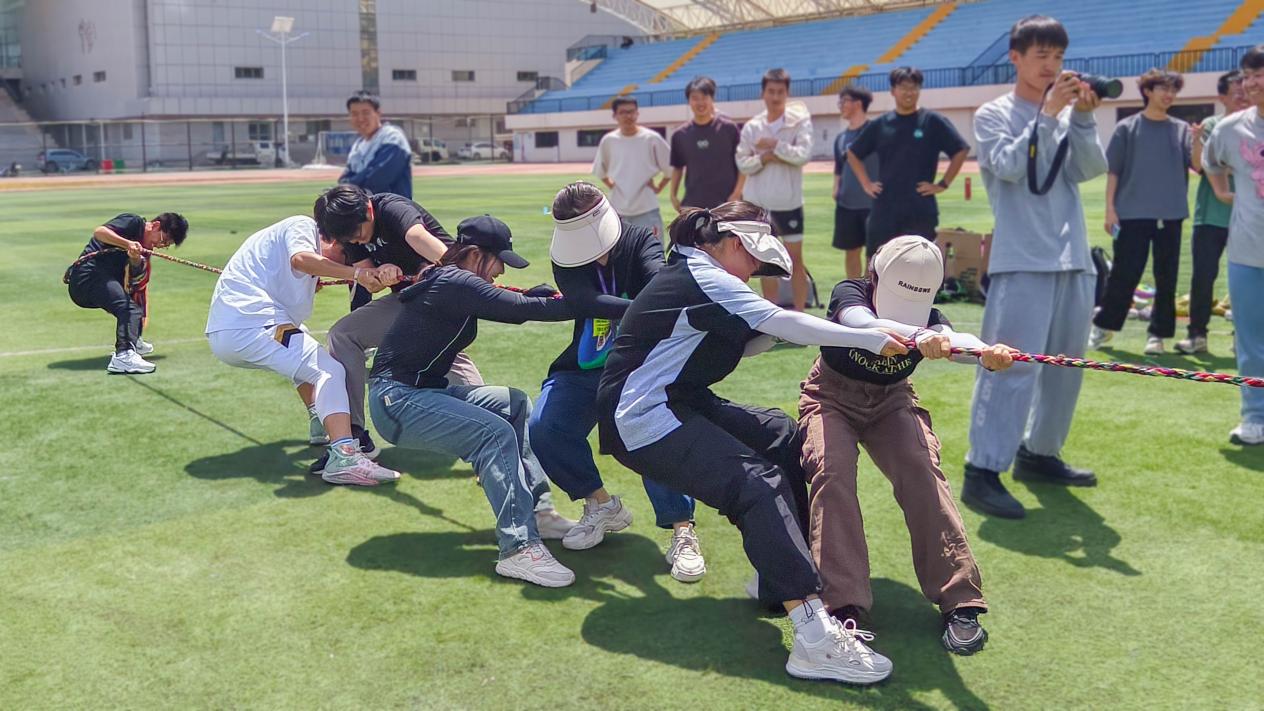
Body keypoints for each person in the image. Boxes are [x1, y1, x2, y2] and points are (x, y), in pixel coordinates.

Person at [596, 201, 907, 684]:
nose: (756, 271)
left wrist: (857, 331)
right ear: (731, 243)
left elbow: (758, 338)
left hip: (681, 400)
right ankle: (814, 639)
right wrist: (868, 338)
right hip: (640, 416)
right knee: (756, 485)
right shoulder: (704, 276)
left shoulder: (703, 275)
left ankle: (777, 579)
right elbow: (783, 322)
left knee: (780, 435)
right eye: (754, 258)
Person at [798, 235, 1016, 656]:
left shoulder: (932, 321)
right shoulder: (849, 294)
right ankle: (842, 603)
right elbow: (863, 324)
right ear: (875, 276)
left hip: (892, 400)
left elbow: (956, 340)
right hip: (830, 396)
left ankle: (960, 600)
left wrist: (986, 353)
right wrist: (921, 335)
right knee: (832, 470)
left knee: (922, 470)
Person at [367, 215, 581, 586]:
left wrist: (536, 296)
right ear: (476, 254)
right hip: (396, 402)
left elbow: (515, 303)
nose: (501, 270)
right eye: (499, 261)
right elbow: (521, 311)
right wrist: (593, 304)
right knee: (493, 434)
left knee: (513, 404)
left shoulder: (454, 281)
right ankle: (518, 549)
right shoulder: (455, 281)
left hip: (420, 393)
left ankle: (540, 513)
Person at [963, 15, 1106, 519]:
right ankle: (982, 470)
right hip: (1023, 257)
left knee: (1066, 370)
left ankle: (1040, 453)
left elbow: (1089, 168)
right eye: (1041, 55)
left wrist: (1081, 118)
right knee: (1010, 367)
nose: (1051, 66)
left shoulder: (1064, 114)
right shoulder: (992, 114)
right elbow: (1009, 166)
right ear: (1016, 58)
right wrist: (1047, 115)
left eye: (1058, 57)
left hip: (1073, 256)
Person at [528, 182, 704, 582]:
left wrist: (644, 307)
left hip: (642, 367)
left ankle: (682, 529)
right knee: (545, 426)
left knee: (649, 430)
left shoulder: (640, 239)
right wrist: (641, 308)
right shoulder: (565, 256)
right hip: (585, 365)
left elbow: (659, 286)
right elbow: (585, 301)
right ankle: (601, 504)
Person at [205, 189, 400, 487]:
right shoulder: (302, 226)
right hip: (252, 324)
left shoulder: (301, 256)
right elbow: (301, 260)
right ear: (332, 240)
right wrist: (355, 274)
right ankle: (345, 457)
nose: (348, 261)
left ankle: (320, 421)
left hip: (237, 329)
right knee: (329, 369)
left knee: (306, 353)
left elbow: (299, 269)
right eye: (346, 252)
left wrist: (336, 275)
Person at [308, 187, 485, 470]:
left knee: (450, 359)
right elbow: (370, 280)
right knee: (344, 335)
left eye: (358, 232)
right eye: (348, 238)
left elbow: (431, 248)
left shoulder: (392, 209)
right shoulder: (350, 231)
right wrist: (379, 274)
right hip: (408, 301)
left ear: (368, 209)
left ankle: (494, 434)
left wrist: (435, 273)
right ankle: (353, 437)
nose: (356, 240)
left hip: (444, 297)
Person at [1091, 69, 1193, 355]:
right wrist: (1110, 209)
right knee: (1124, 273)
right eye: (1163, 88)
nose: (1169, 94)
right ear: (1148, 91)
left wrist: (1198, 142)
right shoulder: (1127, 128)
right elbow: (1114, 171)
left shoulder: (1182, 129)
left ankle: (1158, 335)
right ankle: (1104, 325)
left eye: (1173, 89)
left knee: (1167, 276)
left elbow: (1197, 164)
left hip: (1170, 213)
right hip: (1131, 213)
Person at [1202, 45, 1264, 446]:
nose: (1252, 83)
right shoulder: (1230, 128)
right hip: (1247, 252)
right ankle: (1255, 416)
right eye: (1248, 76)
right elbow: (1211, 162)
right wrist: (1223, 192)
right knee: (1251, 340)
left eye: (1260, 74)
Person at [847, 66, 970, 258]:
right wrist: (866, 184)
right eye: (903, 87)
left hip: (919, 207)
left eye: (914, 87)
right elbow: (853, 153)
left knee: (921, 265)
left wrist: (943, 184)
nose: (909, 92)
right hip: (885, 208)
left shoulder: (932, 121)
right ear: (893, 91)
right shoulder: (882, 124)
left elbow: (961, 149)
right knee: (876, 263)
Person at [1178, 70, 1249, 355]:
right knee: (1203, 277)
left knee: (1247, 280)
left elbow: (1221, 165)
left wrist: (1224, 165)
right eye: (1237, 93)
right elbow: (1202, 166)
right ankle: (1197, 335)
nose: (1244, 97)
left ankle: (1243, 338)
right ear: (1222, 97)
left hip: (1249, 217)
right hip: (1210, 216)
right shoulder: (1212, 125)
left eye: (1246, 91)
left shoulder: (1256, 125)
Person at [66, 211, 188, 374]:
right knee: (129, 309)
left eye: (166, 245)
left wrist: (135, 259)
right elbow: (100, 232)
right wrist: (127, 244)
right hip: (87, 277)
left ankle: (132, 340)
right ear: (156, 225)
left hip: (101, 281)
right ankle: (123, 356)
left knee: (134, 303)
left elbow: (135, 279)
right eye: (163, 240)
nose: (161, 246)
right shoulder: (133, 222)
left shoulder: (144, 249)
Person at [736, 68, 814, 311]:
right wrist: (765, 158)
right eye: (771, 91)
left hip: (788, 203)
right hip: (757, 205)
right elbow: (742, 162)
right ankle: (772, 318)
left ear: (787, 93)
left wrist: (774, 145)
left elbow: (803, 155)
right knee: (765, 264)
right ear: (763, 93)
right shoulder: (753, 126)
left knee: (795, 261)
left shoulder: (799, 123)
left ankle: (800, 317)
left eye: (780, 91)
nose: (776, 96)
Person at [340, 91, 414, 311]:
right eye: (355, 114)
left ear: (378, 113)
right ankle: (358, 325)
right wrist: (353, 184)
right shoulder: (359, 145)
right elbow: (344, 182)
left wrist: (353, 184)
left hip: (392, 221)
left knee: (404, 279)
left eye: (365, 112)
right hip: (362, 220)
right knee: (360, 276)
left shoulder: (392, 137)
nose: (360, 118)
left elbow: (379, 178)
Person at [592, 97, 672, 237]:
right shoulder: (609, 141)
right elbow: (600, 170)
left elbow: (671, 167)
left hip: (647, 207)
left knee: (651, 249)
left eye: (631, 112)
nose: (628, 116)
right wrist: (612, 185)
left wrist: (659, 187)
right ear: (615, 115)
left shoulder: (651, 138)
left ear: (637, 113)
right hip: (618, 209)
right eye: (623, 112)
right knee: (620, 249)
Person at [669, 76, 744, 212]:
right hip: (693, 206)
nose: (700, 103)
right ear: (688, 101)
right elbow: (677, 167)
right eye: (695, 98)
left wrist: (737, 193)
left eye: (704, 97)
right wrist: (673, 195)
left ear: (712, 99)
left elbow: (742, 163)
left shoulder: (729, 129)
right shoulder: (680, 135)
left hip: (727, 204)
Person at [832, 85, 878, 279]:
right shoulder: (841, 138)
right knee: (851, 252)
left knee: (873, 255)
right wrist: (836, 188)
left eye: (844, 101)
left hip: (873, 205)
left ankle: (870, 292)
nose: (840, 106)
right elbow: (839, 167)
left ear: (858, 104)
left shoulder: (876, 132)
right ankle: (853, 291)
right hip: (847, 205)